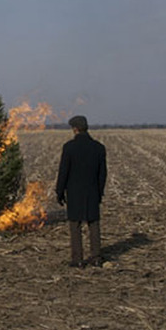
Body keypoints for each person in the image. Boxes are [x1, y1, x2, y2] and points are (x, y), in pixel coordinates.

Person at [55, 115, 107, 268]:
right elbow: (103, 174)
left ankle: (77, 259)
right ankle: (96, 257)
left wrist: (59, 191)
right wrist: (99, 192)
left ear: (75, 129)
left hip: (74, 192)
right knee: (93, 223)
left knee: (75, 224)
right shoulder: (99, 147)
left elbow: (63, 172)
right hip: (92, 191)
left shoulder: (69, 147)